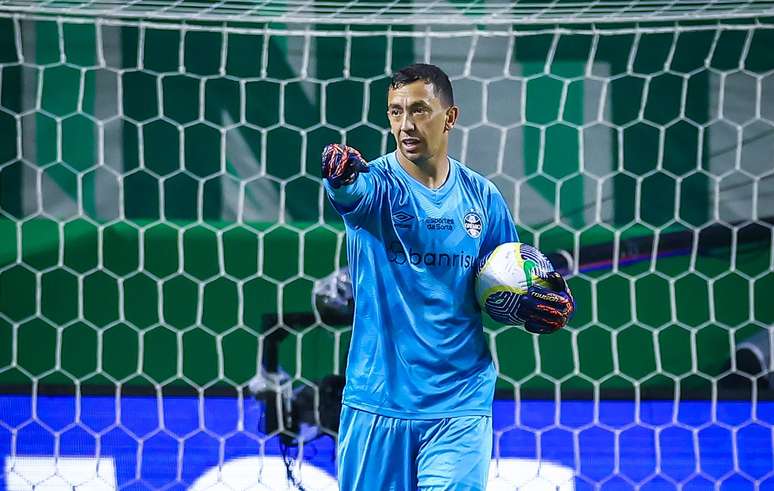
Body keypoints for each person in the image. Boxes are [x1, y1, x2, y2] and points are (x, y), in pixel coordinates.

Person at [321, 63, 574, 490]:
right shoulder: (376, 183)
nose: (405, 124)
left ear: (449, 118)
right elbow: (350, 194)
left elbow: (505, 283)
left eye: (419, 110)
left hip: (460, 401)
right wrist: (339, 177)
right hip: (378, 401)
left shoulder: (482, 197)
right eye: (395, 112)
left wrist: (535, 307)